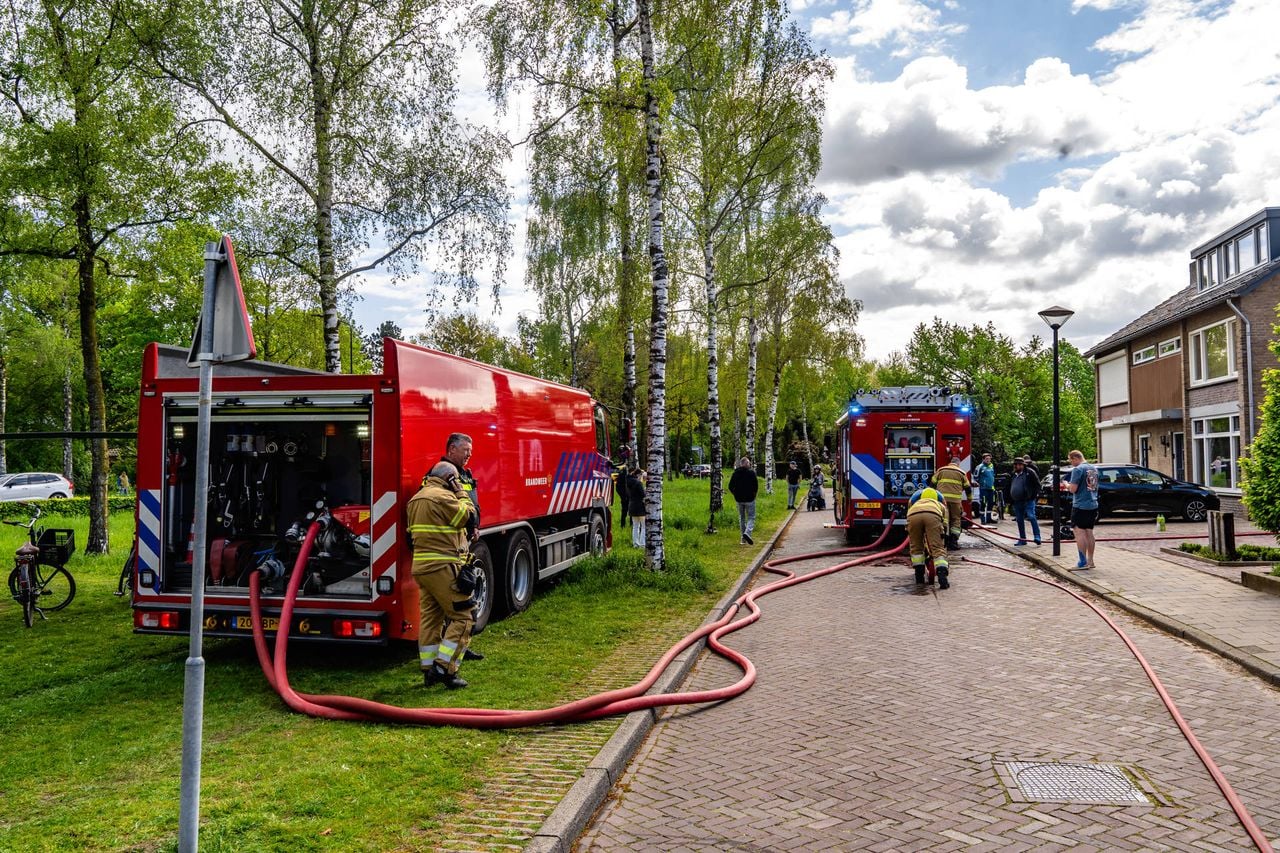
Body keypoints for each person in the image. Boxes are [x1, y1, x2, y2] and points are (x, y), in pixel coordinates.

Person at [407, 461, 476, 689]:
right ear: (450, 479)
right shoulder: (444, 497)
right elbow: (469, 517)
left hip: (422, 568)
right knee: (463, 616)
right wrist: (462, 493)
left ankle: (428, 670)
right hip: (443, 567)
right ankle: (445, 668)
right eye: (456, 479)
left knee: (431, 619)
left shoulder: (415, 499)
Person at [440, 433, 483, 661]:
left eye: (471, 451)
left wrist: (475, 525)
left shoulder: (464, 474)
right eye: (465, 451)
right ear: (451, 449)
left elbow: (472, 503)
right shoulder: (444, 474)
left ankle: (463, 645)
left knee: (467, 591)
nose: (469, 455)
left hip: (465, 541)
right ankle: (452, 650)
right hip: (452, 545)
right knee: (457, 599)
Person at [907, 487, 950, 589]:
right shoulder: (940, 504)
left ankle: (919, 576)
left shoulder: (915, 501)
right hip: (933, 515)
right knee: (937, 548)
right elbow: (945, 524)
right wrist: (944, 536)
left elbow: (909, 511)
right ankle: (942, 575)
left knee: (916, 547)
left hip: (913, 515)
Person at [1065, 449, 1100, 569]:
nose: (1071, 463)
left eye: (1071, 460)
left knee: (1079, 532)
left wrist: (1066, 485)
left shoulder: (1078, 469)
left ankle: (1082, 562)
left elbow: (1073, 489)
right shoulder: (1094, 469)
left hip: (1080, 505)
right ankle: (1090, 561)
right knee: (1089, 532)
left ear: (1075, 458)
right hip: (1093, 504)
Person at [930, 456, 970, 550]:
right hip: (955, 501)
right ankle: (953, 542)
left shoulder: (941, 470)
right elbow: (967, 488)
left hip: (942, 500)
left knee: (943, 519)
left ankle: (943, 541)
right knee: (955, 520)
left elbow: (932, 483)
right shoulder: (961, 473)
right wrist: (970, 499)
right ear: (958, 464)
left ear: (950, 463)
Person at [1007, 458, 1042, 546]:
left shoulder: (1030, 472)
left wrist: (1033, 496)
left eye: (1019, 464)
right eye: (1016, 465)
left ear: (1023, 465)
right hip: (1017, 500)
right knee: (1019, 519)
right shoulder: (1013, 474)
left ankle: (1037, 536)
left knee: (1031, 516)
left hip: (1028, 499)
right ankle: (1022, 539)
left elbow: (1037, 485)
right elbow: (1009, 486)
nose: (1017, 466)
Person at [728, 456, 759, 545]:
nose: (749, 464)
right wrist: (754, 495)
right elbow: (755, 486)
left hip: (739, 499)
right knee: (751, 517)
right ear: (745, 463)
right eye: (748, 462)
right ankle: (747, 533)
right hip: (750, 499)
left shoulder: (735, 473)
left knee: (742, 518)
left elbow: (730, 486)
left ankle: (743, 539)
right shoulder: (751, 473)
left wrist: (735, 494)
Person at [625, 464, 647, 547]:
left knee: (635, 526)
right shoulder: (638, 483)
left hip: (632, 506)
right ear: (639, 475)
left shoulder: (627, 482)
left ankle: (635, 544)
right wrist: (645, 490)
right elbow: (643, 495)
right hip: (640, 506)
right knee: (644, 526)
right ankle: (642, 544)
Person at [974, 453, 996, 523]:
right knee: (983, 503)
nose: (988, 460)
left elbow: (993, 476)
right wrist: (980, 483)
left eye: (989, 459)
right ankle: (983, 519)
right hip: (983, 489)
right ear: (983, 459)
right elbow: (975, 476)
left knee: (991, 503)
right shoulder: (979, 467)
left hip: (991, 488)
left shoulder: (991, 466)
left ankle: (989, 519)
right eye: (987, 459)